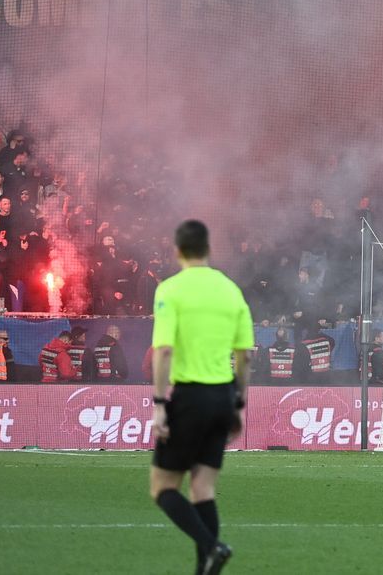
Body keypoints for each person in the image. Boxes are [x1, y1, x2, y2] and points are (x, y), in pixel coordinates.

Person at [149, 220, 252, 574]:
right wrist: (238, 402)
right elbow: (245, 356)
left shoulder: (170, 290)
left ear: (177, 250)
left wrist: (160, 405)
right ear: (209, 250)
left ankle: (213, 546)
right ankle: (204, 568)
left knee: (162, 487)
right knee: (203, 488)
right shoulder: (231, 290)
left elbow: (163, 350)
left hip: (190, 397)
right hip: (223, 396)